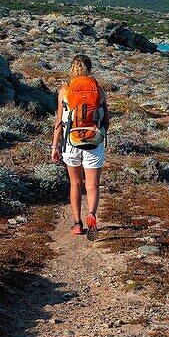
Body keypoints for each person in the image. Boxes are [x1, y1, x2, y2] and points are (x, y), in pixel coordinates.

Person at [51, 54, 109, 235]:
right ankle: (91, 214)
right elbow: (106, 121)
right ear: (89, 69)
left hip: (71, 142)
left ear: (72, 69)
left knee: (75, 183)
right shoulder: (98, 90)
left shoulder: (65, 90)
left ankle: (77, 223)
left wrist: (55, 147)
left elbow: (59, 123)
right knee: (92, 184)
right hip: (94, 141)